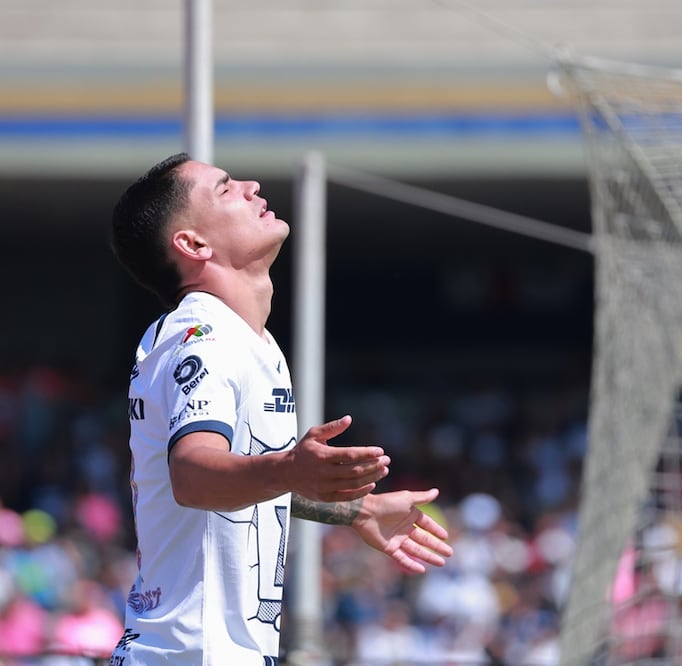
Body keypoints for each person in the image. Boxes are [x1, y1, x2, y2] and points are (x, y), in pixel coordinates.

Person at [107, 153, 453, 665]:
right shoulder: (202, 337)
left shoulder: (252, 342)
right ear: (194, 244)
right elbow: (194, 478)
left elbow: (240, 482)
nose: (250, 185)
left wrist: (352, 507)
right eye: (225, 189)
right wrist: (292, 467)